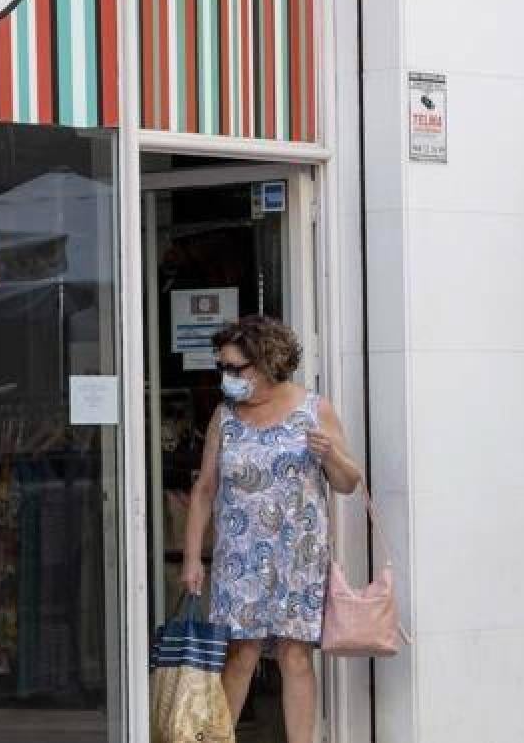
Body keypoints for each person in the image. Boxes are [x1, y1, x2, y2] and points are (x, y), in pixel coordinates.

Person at [181, 315, 361, 742]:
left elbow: (349, 482)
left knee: (294, 654)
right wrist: (192, 557)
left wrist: (331, 455)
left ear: (264, 364)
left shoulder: (313, 410)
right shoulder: (224, 417)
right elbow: (204, 489)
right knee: (240, 652)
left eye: (234, 368)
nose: (226, 377)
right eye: (221, 366)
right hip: (239, 556)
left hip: (297, 556)